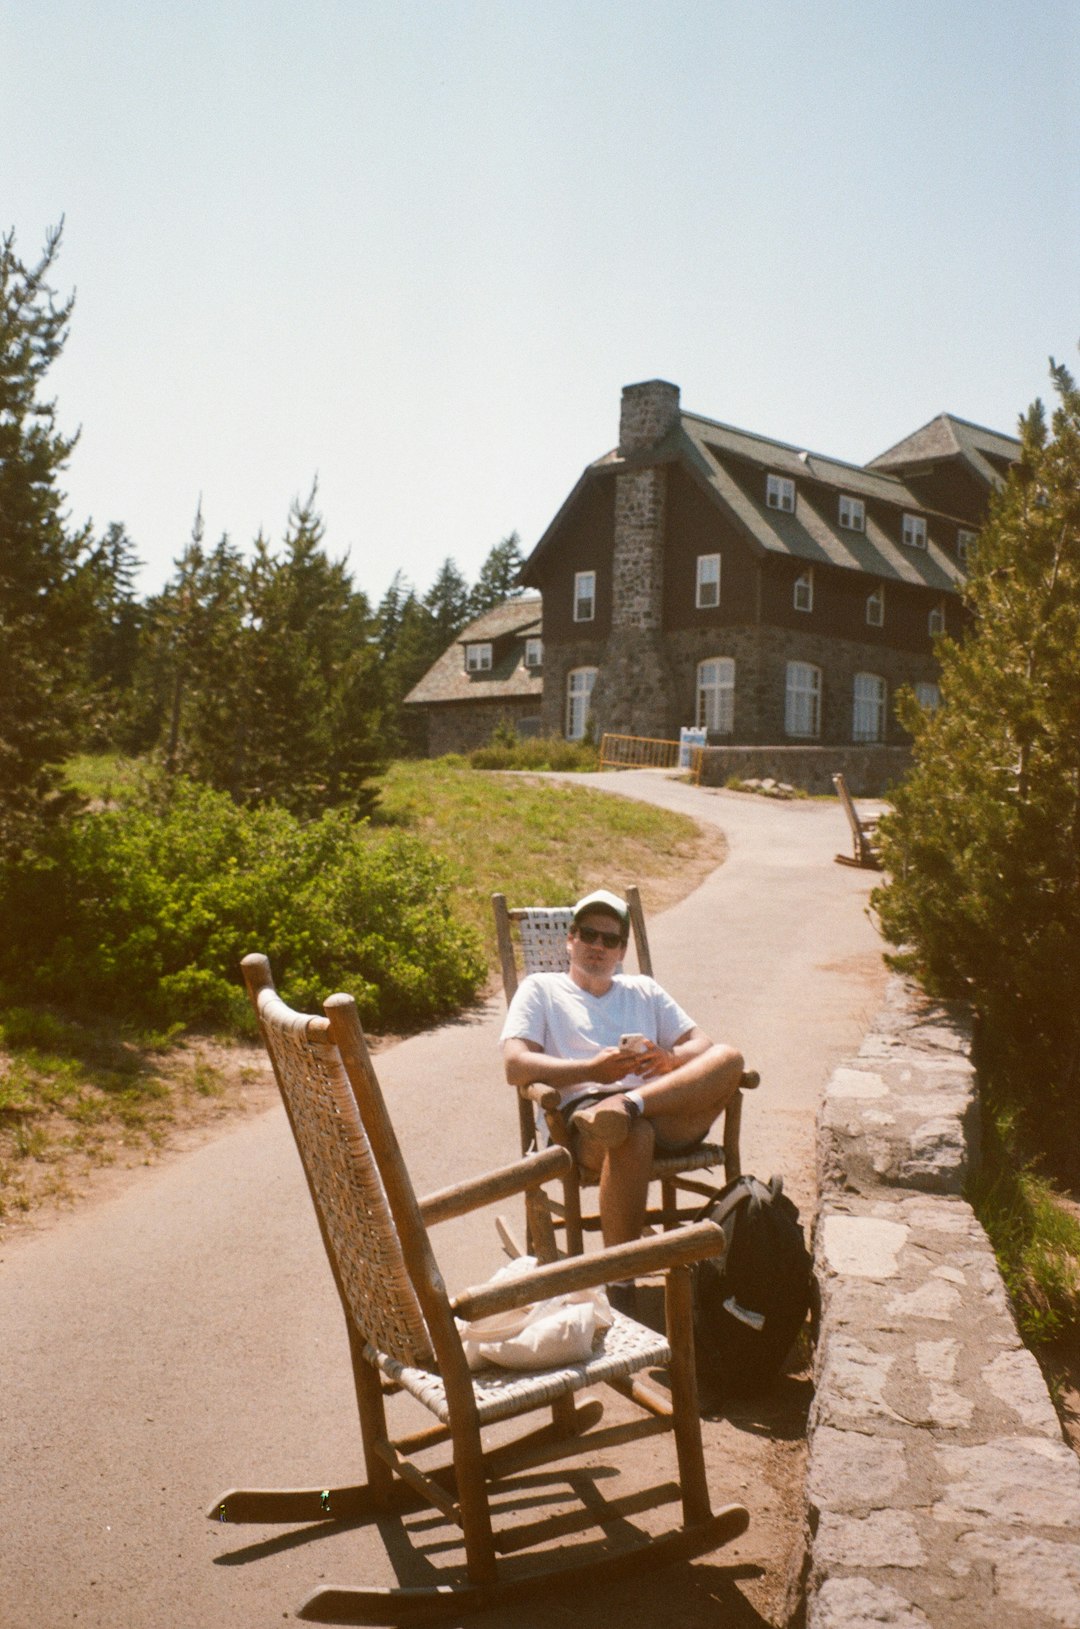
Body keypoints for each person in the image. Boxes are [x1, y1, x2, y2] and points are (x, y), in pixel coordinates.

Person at [500, 888, 745, 1271]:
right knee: (632, 1133)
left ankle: (630, 1106)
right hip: (587, 1120)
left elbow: (703, 1045)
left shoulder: (643, 990)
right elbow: (515, 1065)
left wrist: (669, 1059)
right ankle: (622, 1281)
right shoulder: (542, 989)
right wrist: (590, 1071)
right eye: (588, 935)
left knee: (730, 1058)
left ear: (622, 950)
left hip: (656, 1104)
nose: (597, 946)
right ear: (570, 939)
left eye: (609, 939)